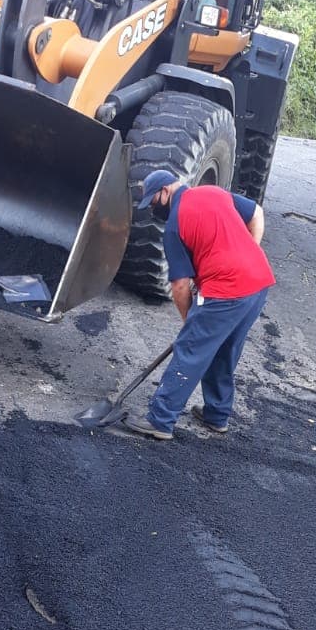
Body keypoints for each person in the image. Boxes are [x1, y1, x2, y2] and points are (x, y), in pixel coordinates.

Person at [121, 169, 275, 441]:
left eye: (154, 202)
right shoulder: (214, 192)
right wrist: (249, 255)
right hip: (259, 283)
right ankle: (217, 415)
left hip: (227, 290)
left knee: (190, 351)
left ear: (166, 191)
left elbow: (180, 287)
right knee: (224, 349)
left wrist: (190, 324)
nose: (154, 210)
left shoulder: (175, 225)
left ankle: (160, 420)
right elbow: (257, 213)